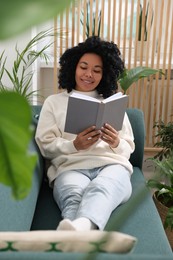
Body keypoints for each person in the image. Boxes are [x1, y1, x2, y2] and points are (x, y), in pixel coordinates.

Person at [35, 36, 135, 231]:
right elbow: (45, 145)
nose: (88, 74)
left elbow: (128, 147)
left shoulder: (112, 103)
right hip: (71, 167)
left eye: (97, 70)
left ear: (104, 74)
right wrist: (73, 145)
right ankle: (83, 229)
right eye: (83, 67)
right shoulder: (54, 102)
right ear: (73, 67)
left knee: (102, 188)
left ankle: (77, 229)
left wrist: (115, 142)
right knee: (74, 195)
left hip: (111, 166)